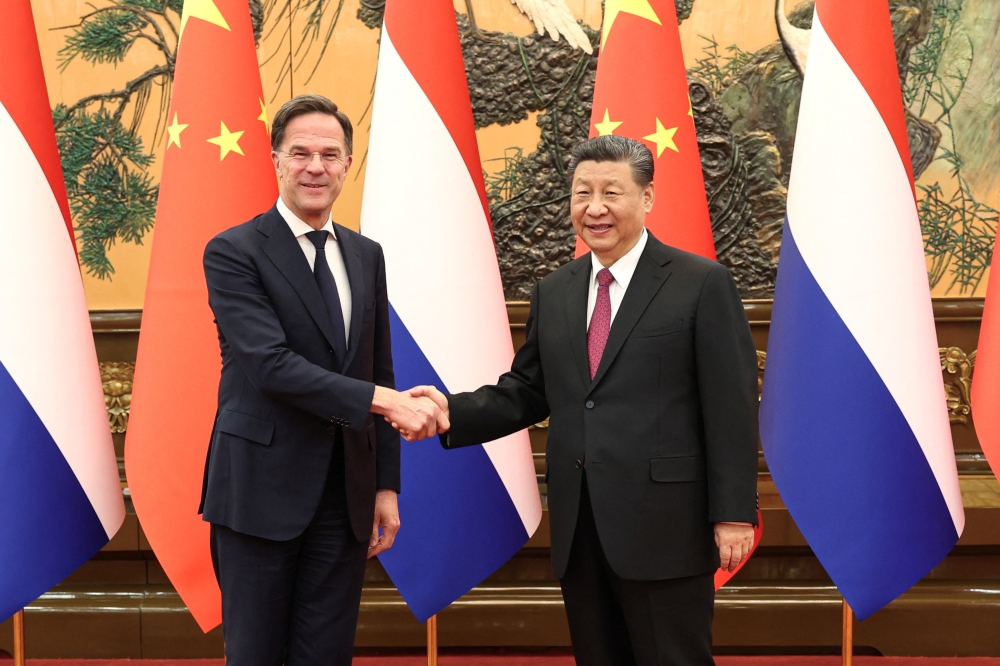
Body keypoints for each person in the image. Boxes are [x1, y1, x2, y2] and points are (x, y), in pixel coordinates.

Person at [407, 135, 759, 665]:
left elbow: (730, 406)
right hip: (581, 525)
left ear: (647, 198)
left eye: (611, 193)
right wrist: (450, 411)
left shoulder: (701, 284)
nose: (594, 208)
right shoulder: (557, 291)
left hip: (666, 525)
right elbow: (528, 392)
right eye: (581, 193)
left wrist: (733, 512)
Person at [200, 94, 445, 665]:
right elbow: (270, 366)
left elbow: (376, 365)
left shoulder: (365, 254)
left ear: (348, 164)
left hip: (345, 495)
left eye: (330, 154)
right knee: (258, 654)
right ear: (277, 161)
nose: (316, 166)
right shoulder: (234, 251)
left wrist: (386, 484)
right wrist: (385, 402)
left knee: (326, 655)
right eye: (301, 153)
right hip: (259, 490)